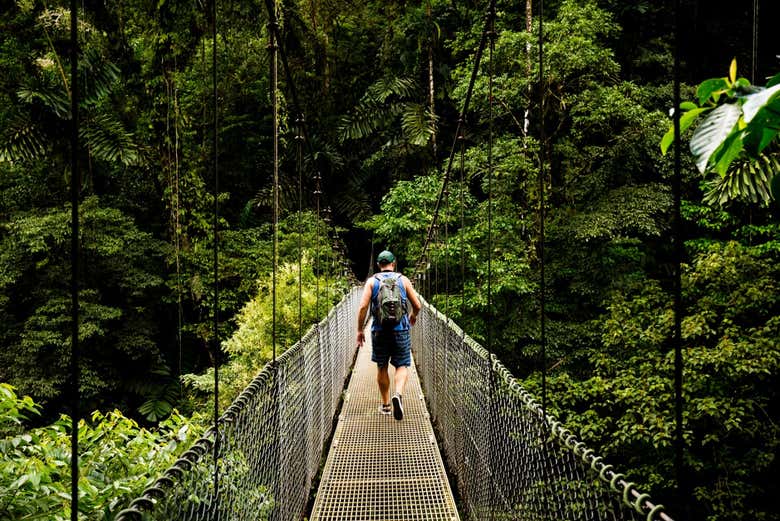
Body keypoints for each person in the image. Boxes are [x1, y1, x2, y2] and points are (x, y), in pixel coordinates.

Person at [356, 250, 422, 420]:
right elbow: (418, 305)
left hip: (379, 331)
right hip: (401, 330)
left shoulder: (372, 282)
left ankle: (386, 406)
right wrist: (413, 316)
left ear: (378, 265)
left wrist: (359, 330)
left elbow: (363, 307)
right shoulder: (403, 280)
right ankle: (398, 394)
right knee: (402, 365)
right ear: (394, 263)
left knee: (382, 366)